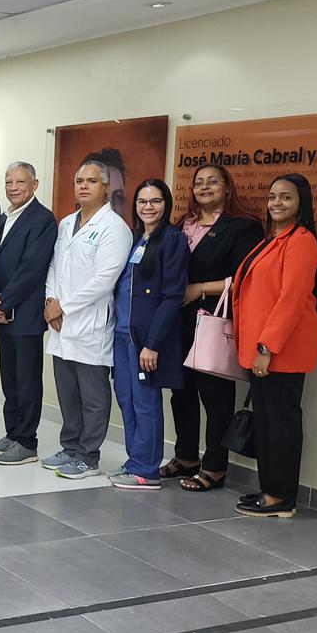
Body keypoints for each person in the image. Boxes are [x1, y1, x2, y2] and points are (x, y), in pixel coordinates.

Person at [165, 164, 264, 492]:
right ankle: (186, 456)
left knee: (215, 397)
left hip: (212, 320)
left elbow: (245, 278)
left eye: (212, 182)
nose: (204, 187)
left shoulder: (243, 227)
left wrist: (199, 289)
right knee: (181, 392)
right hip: (178, 321)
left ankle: (214, 466)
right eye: (199, 183)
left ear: (227, 188)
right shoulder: (183, 225)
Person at [232, 173, 317, 518]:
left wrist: (266, 348)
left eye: (286, 197)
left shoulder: (302, 242)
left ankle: (281, 496)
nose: (276, 203)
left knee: (281, 424)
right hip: (262, 350)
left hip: (281, 352)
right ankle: (271, 489)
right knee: (267, 423)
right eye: (272, 197)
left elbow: (291, 301)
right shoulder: (273, 239)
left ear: (301, 202)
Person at [42, 160, 132, 479]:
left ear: (105, 188)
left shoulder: (115, 228)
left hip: (90, 324)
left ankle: (88, 456)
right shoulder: (66, 223)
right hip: (61, 322)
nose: (83, 186)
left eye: (91, 181)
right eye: (79, 180)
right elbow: (54, 266)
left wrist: (63, 307)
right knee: (67, 392)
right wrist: (50, 300)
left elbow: (104, 280)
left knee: (92, 396)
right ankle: (69, 448)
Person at [109, 179, 189, 490]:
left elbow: (172, 296)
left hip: (146, 341)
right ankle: (135, 460)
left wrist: (152, 344)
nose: (148, 207)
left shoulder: (172, 240)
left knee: (145, 401)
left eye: (156, 201)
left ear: (166, 204)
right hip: (122, 335)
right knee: (126, 398)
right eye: (142, 201)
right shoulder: (135, 238)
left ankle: (147, 469)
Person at [0, 162, 56, 466]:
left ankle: (26, 442)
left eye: (20, 182)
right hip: (1, 309)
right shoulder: (2, 218)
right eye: (9, 182)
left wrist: (4, 303)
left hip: (25, 314)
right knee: (9, 379)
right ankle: (12, 433)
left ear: (34, 185)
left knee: (27, 380)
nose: (13, 187)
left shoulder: (43, 219)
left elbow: (32, 268)